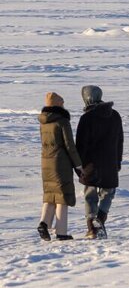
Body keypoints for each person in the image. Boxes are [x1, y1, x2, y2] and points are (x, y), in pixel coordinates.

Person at [75, 85, 124, 237]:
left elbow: (81, 145)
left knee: (90, 196)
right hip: (110, 164)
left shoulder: (86, 118)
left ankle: (92, 228)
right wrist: (117, 162)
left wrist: (78, 167)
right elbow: (119, 141)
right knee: (108, 194)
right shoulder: (115, 115)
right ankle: (100, 220)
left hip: (90, 166)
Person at [38, 92, 82, 241]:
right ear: (58, 104)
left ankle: (43, 223)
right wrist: (78, 166)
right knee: (62, 196)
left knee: (50, 194)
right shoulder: (62, 122)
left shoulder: (43, 122)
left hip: (46, 162)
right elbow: (70, 146)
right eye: (62, 103)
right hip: (60, 163)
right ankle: (61, 232)